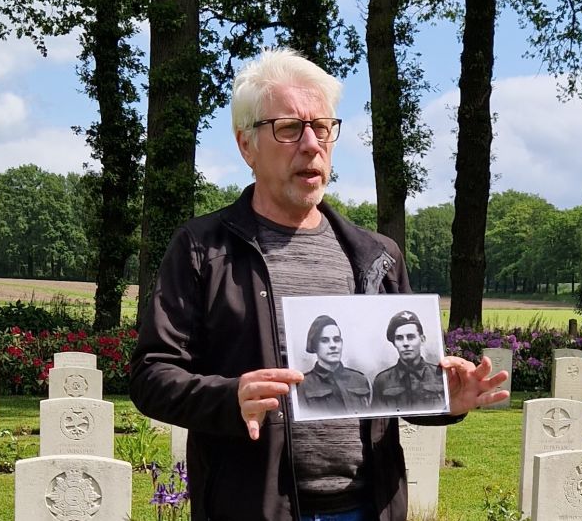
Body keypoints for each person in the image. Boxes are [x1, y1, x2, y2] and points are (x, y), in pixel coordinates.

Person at [128, 48, 510, 521]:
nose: (311, 144)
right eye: (289, 128)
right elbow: (151, 374)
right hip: (252, 508)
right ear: (246, 145)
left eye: (322, 127)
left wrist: (446, 399)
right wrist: (230, 398)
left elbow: (389, 392)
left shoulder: (377, 255)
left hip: (367, 508)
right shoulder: (202, 249)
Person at [295, 315, 371, 416]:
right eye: (325, 340)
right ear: (315, 345)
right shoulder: (302, 385)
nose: (333, 345)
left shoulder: (360, 380)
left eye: (336, 339)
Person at [372, 311, 447, 412]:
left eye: (411, 337)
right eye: (399, 338)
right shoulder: (382, 381)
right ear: (394, 343)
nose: (405, 343)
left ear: (422, 339)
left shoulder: (440, 375)